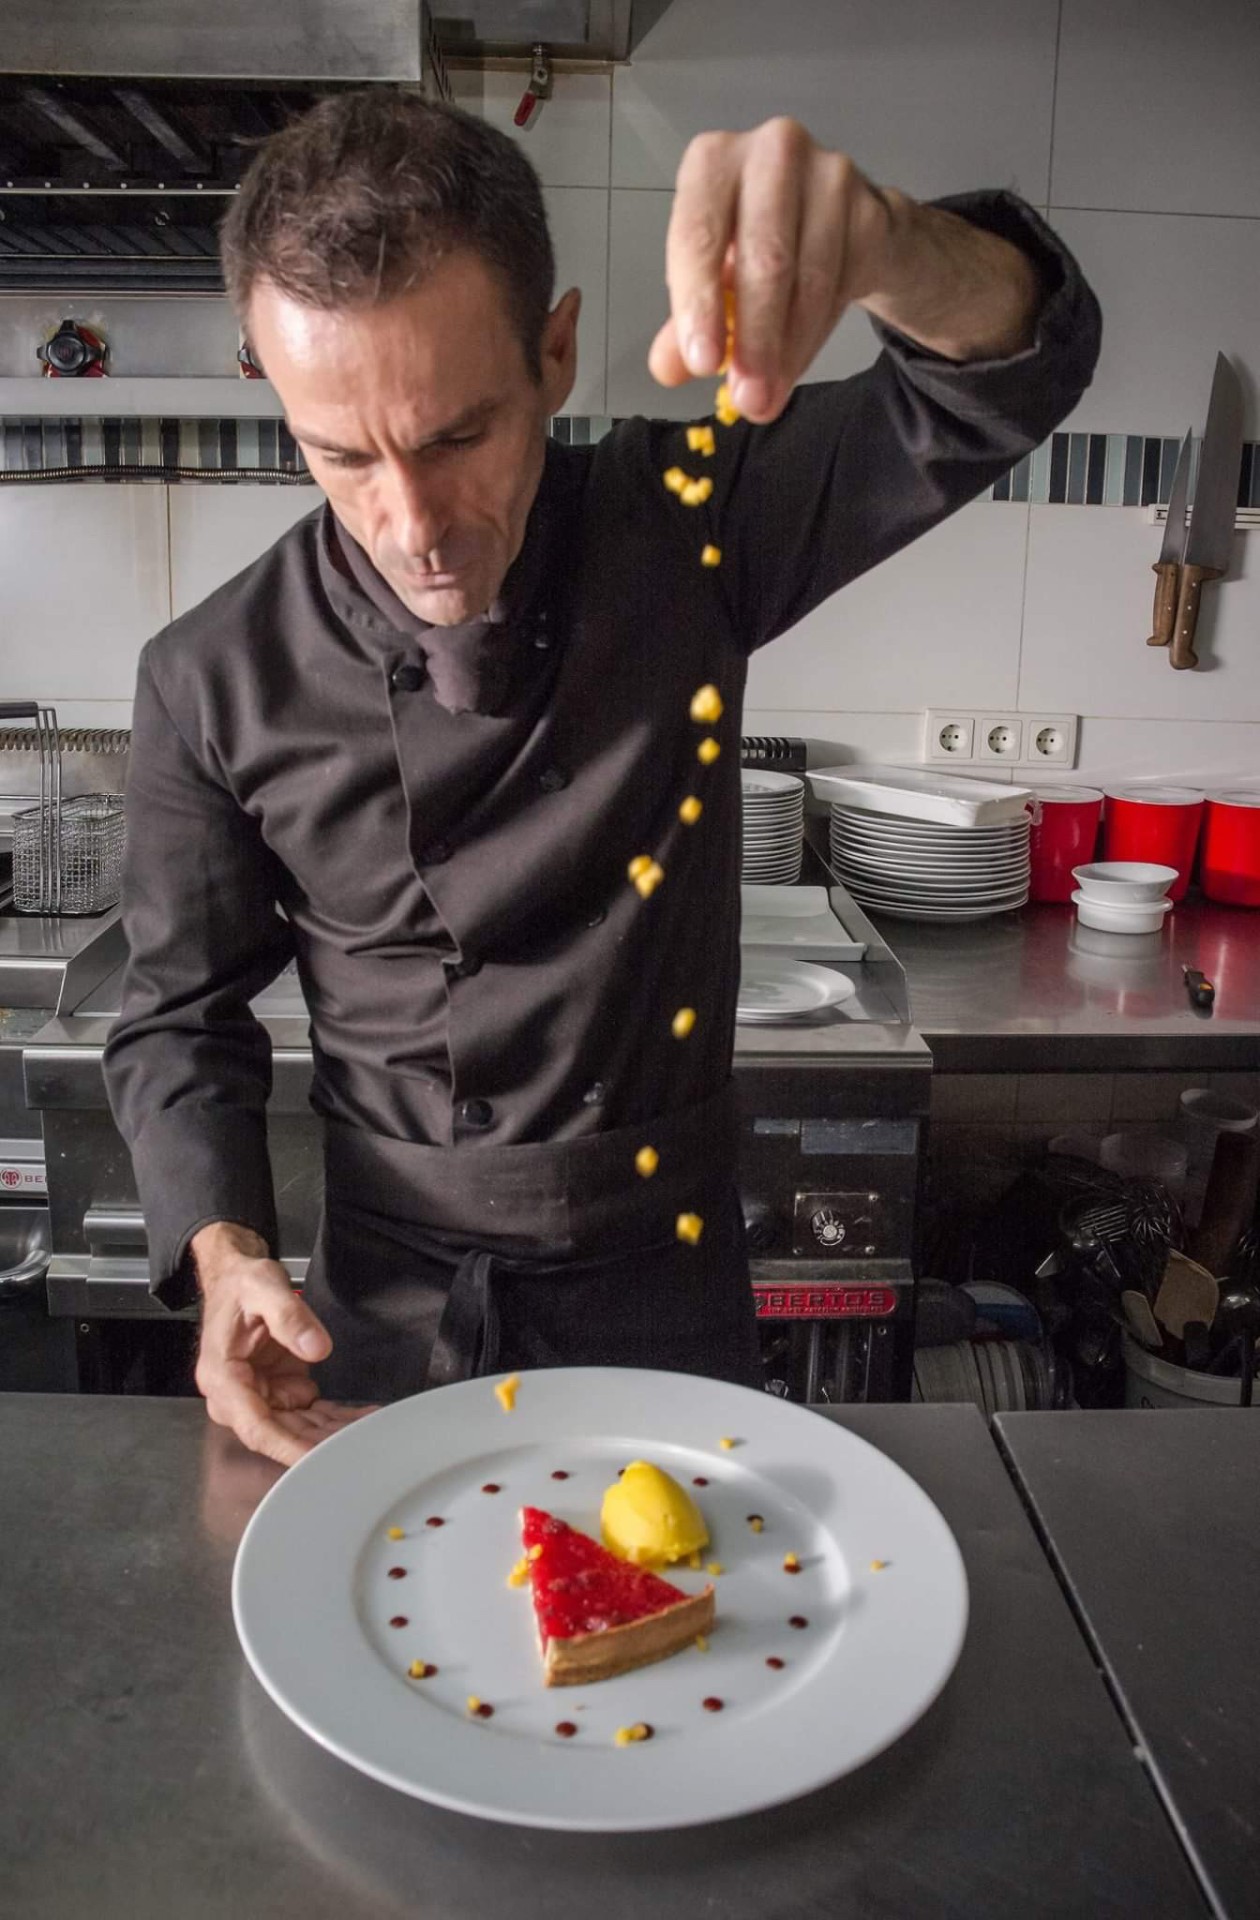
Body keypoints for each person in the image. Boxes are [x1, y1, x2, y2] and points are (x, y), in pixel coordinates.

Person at [103, 91, 1100, 1466]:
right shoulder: (210, 674)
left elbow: (1003, 379)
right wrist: (223, 1256)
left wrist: (888, 245)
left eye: (458, 437)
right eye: (341, 455)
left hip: (660, 1287)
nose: (413, 526)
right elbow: (178, 1017)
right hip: (377, 1314)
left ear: (556, 353)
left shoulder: (688, 530)